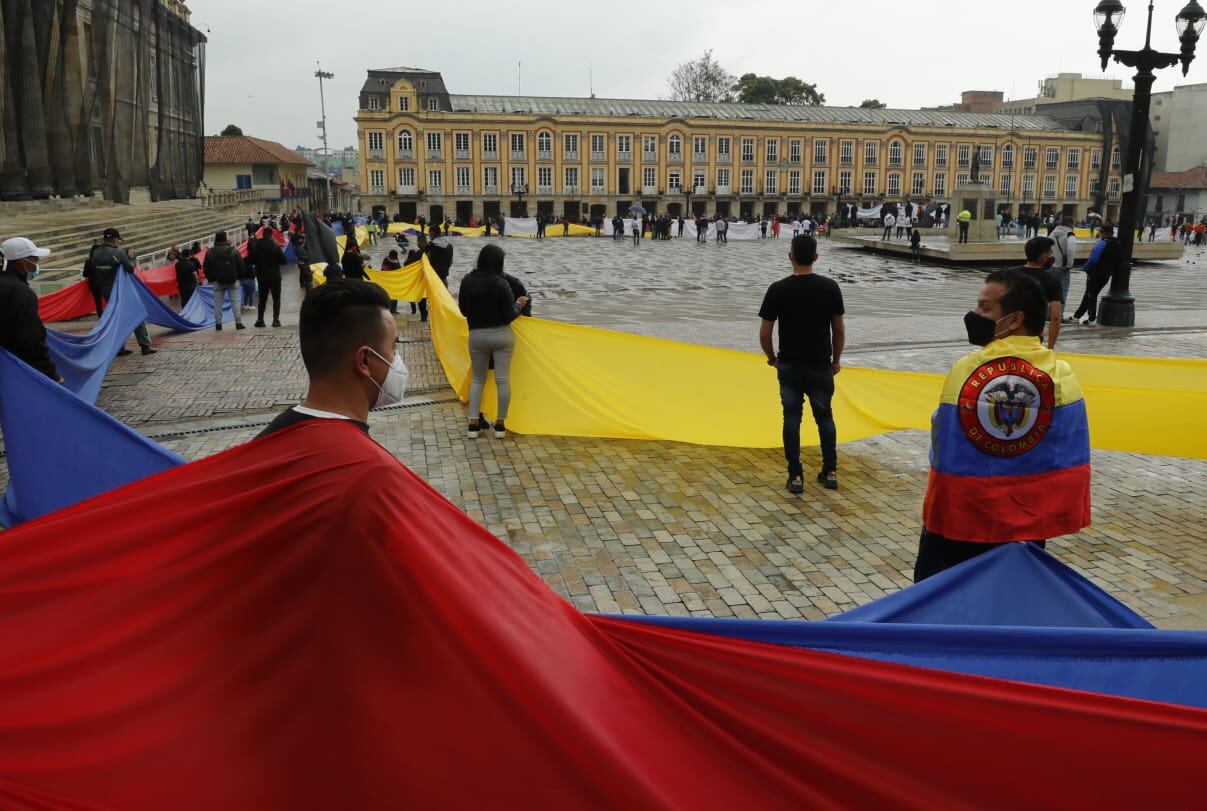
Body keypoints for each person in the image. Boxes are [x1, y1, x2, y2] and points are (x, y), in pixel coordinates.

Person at [913, 268, 1091, 582]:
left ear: (1014, 320)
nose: (974, 313)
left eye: (985, 307)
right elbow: (1064, 451)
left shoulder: (968, 368)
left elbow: (943, 438)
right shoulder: (1061, 375)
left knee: (943, 598)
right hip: (1026, 522)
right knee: (1010, 596)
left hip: (963, 517)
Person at [257, 279, 406, 439]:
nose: (397, 358)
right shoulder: (362, 454)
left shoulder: (260, 445)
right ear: (364, 361)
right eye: (393, 347)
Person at [758, 234, 846, 494]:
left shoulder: (778, 289)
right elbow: (839, 330)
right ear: (816, 257)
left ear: (791, 257)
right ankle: (830, 471)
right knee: (825, 417)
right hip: (821, 365)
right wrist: (836, 361)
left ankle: (795, 475)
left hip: (790, 366)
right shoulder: (830, 287)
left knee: (791, 419)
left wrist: (773, 358)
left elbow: (764, 334)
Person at [457, 244, 529, 440]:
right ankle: (500, 425)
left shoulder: (467, 281)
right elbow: (510, 314)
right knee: (502, 380)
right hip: (501, 336)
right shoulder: (500, 283)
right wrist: (519, 304)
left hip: (476, 336)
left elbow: (463, 310)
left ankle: (473, 425)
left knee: (478, 379)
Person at [0, 237, 62, 382]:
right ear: (23, 263)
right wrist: (51, 374)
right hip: (17, 369)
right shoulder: (21, 292)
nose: (36, 264)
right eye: (35, 259)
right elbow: (31, 339)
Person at [88, 228, 156, 355]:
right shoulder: (117, 252)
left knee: (116, 318)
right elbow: (129, 269)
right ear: (115, 239)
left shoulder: (96, 252)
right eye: (118, 240)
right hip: (121, 288)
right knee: (137, 313)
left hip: (105, 289)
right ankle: (145, 345)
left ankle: (119, 348)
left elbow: (92, 268)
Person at [1012, 237, 1063, 350]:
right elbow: (1055, 317)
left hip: (1008, 335)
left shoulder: (1008, 275)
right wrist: (1050, 348)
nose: (1051, 257)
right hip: (1033, 339)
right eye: (1050, 253)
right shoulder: (1052, 281)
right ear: (1044, 256)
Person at [1072, 225, 1120, 326]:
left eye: (1101, 232)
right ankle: (1077, 316)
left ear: (1105, 232)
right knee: (1090, 295)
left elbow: (1093, 259)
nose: (1100, 234)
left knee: (1091, 296)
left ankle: (1091, 319)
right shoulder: (1117, 244)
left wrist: (1085, 268)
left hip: (1095, 274)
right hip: (1106, 275)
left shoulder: (1102, 243)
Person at [203, 230, 246, 331]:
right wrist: (239, 279)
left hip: (217, 281)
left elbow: (206, 268)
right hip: (233, 280)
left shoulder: (210, 252)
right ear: (225, 238)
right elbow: (241, 265)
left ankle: (218, 324)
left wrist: (212, 279)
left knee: (217, 303)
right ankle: (238, 323)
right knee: (235, 301)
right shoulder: (233, 250)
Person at [249, 228, 287, 328]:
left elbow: (251, 261)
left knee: (262, 299)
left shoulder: (255, 246)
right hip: (275, 277)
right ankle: (276, 320)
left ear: (263, 234)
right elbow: (283, 261)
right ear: (271, 235)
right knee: (276, 299)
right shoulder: (275, 246)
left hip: (262, 277)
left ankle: (260, 320)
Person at [1048, 217, 1078, 322]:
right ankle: (1058, 316)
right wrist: (1069, 264)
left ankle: (1047, 315)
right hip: (1062, 268)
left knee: (1049, 292)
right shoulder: (1069, 235)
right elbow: (1071, 250)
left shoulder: (1052, 233)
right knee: (1062, 292)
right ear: (1070, 224)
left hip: (1050, 267)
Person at [405, 234, 430, 322]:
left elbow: (410, 266)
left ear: (419, 242)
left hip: (421, 279)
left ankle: (424, 315)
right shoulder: (431, 250)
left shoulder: (418, 253)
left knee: (422, 298)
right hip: (432, 278)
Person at [380, 248, 403, 315]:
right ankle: (390, 309)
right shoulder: (387, 261)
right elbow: (384, 270)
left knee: (394, 295)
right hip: (390, 280)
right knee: (390, 295)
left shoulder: (394, 260)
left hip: (394, 280)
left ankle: (393, 310)